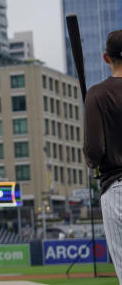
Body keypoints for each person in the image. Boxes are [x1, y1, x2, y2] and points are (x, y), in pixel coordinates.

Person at [84, 29, 122, 280]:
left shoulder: (96, 94)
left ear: (105, 58)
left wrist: (92, 163)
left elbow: (94, 151)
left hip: (117, 188)